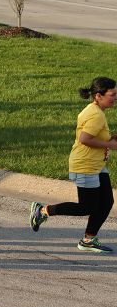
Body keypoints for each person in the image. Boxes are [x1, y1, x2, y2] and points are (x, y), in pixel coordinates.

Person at [31, 76, 117, 253]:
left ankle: (88, 239)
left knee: (106, 202)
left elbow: (95, 136)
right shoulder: (96, 115)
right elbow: (85, 139)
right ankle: (43, 211)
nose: (115, 98)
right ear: (98, 96)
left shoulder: (95, 111)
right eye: (112, 94)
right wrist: (110, 144)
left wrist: (111, 138)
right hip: (85, 166)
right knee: (87, 207)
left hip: (96, 164)